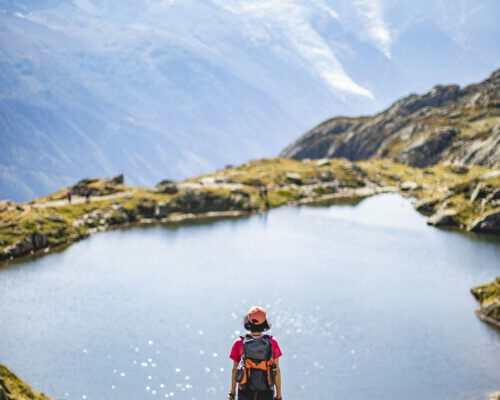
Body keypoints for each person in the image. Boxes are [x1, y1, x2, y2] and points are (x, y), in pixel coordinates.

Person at [228, 306, 282, 400]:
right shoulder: (272, 342)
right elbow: (276, 370)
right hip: (266, 392)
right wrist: (278, 395)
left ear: (248, 322)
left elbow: (234, 370)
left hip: (245, 392)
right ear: (264, 323)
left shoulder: (239, 342)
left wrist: (232, 394)